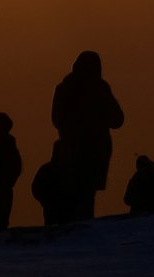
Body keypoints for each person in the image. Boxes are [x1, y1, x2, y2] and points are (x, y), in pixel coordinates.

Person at [51, 50, 124, 221]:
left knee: (78, 192)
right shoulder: (100, 88)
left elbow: (57, 119)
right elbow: (117, 119)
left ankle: (77, 227)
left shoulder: (66, 88)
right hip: (91, 150)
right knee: (85, 193)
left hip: (79, 149)